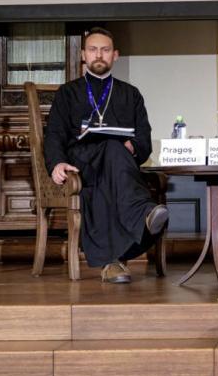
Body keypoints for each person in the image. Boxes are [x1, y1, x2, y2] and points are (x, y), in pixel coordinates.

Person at [44, 27, 168, 284]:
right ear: (83, 55)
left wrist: (132, 147)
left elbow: (144, 140)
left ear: (115, 55)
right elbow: (54, 133)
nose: (99, 55)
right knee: (112, 149)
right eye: (93, 49)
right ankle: (143, 214)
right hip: (82, 164)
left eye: (105, 50)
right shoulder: (68, 92)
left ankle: (113, 264)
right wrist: (56, 163)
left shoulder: (131, 94)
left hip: (117, 167)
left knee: (113, 153)